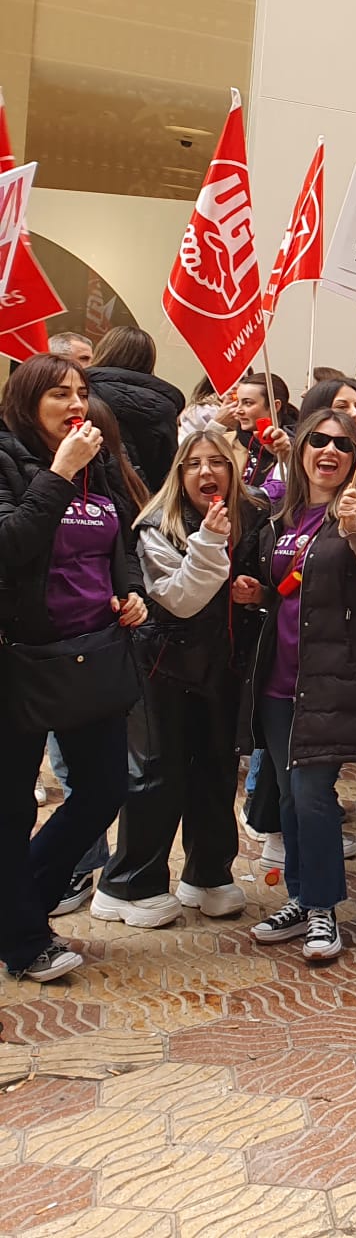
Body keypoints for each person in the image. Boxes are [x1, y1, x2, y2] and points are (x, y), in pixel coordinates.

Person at [0, 356, 149, 982]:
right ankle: (25, 939)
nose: (75, 402)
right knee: (11, 807)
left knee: (106, 787)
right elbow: (10, 545)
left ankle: (18, 901)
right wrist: (58, 474)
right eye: (59, 393)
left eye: (82, 391)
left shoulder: (99, 460)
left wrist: (131, 589)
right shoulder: (11, 460)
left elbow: (119, 541)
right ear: (27, 401)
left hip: (94, 656)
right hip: (21, 660)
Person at [245, 407, 356, 963]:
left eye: (342, 444)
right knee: (289, 793)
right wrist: (255, 593)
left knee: (312, 794)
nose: (329, 451)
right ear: (300, 449)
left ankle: (321, 909)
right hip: (278, 682)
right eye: (318, 441)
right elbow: (288, 592)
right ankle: (300, 894)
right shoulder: (282, 516)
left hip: (333, 682)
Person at [94, 423, 264, 929]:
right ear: (179, 473)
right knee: (157, 772)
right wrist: (209, 540)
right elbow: (180, 598)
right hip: (163, 663)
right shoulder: (156, 525)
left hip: (223, 665)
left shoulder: (253, 518)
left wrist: (258, 591)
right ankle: (128, 885)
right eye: (193, 464)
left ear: (232, 471)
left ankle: (208, 874)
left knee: (215, 771)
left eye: (216, 462)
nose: (205, 472)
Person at [86, 326, 185, 492]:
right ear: (149, 360)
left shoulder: (84, 393)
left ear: (104, 351)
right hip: (145, 497)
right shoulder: (165, 406)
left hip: (94, 494)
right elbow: (167, 465)